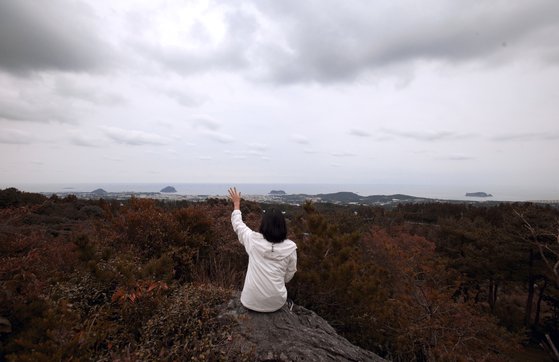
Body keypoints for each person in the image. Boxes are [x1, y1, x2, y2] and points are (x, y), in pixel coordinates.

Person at [228, 187, 297, 312]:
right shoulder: (290, 248)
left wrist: (237, 204)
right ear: (283, 226)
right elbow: (288, 275)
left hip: (250, 301)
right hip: (276, 303)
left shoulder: (253, 240)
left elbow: (238, 225)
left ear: (263, 224)